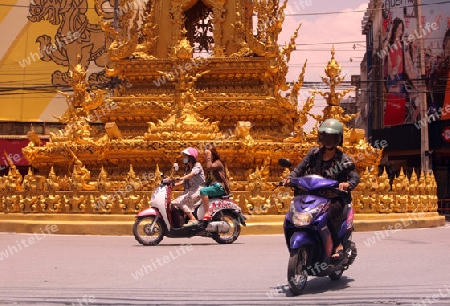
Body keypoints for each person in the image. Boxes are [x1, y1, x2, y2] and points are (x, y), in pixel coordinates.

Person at [282, 118, 360, 260]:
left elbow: (355, 177)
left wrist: (347, 184)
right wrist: (289, 178)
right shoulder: (313, 154)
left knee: (326, 215)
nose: (329, 140)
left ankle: (337, 245)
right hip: (313, 195)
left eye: (332, 137)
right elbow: (299, 169)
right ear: (321, 137)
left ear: (338, 139)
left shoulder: (343, 159)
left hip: (334, 198)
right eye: (326, 136)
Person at [172, 147, 205, 227]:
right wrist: (173, 185)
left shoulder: (197, 165)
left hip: (198, 190)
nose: (184, 158)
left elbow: (192, 175)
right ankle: (181, 221)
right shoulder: (188, 168)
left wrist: (181, 177)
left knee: (181, 202)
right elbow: (184, 181)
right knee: (174, 203)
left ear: (191, 158)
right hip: (190, 190)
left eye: (186, 157)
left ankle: (193, 219)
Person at [199, 145, 230, 220]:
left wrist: (209, 156)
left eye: (208, 155)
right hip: (213, 186)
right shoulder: (212, 164)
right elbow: (208, 180)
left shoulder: (218, 163)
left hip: (219, 187)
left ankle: (207, 213)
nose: (206, 157)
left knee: (203, 191)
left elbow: (209, 167)